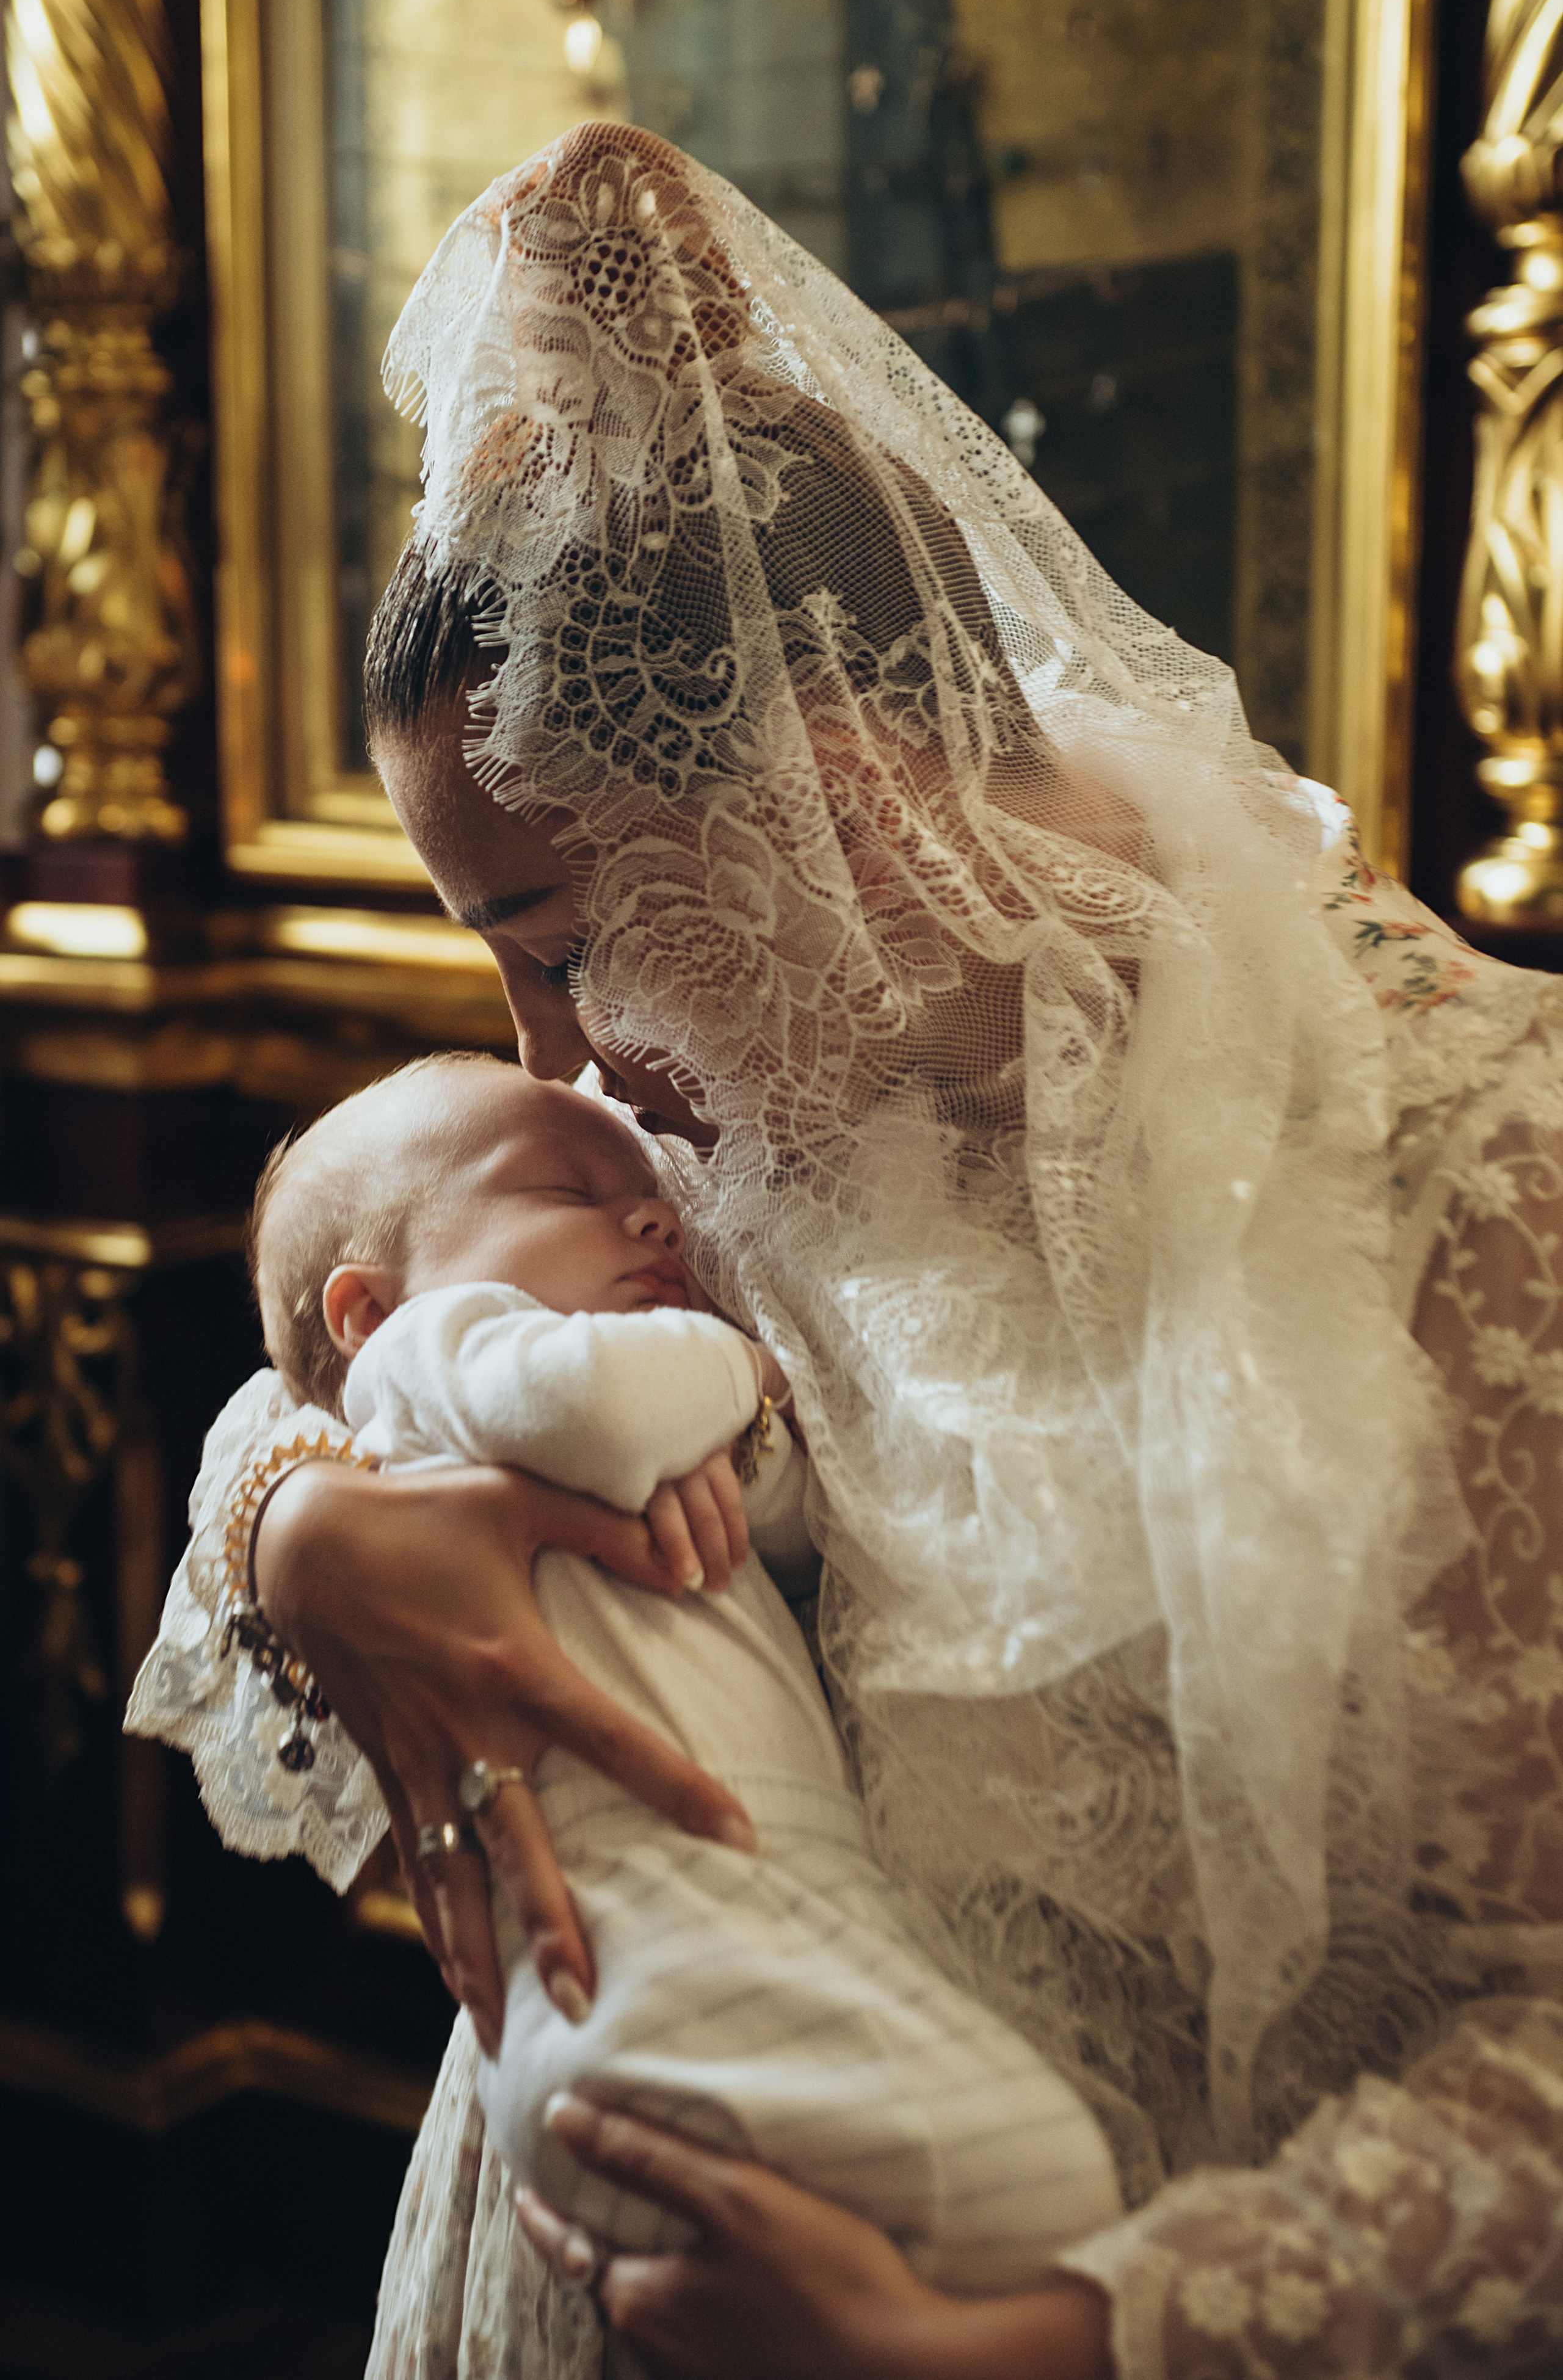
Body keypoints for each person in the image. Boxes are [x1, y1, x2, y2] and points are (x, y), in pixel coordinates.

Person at [128, 121, 1563, 2379]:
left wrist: (1033, 2345)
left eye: (573, 938)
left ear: (836, 782)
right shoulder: (730, 1104)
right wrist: (298, 1525)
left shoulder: (1480, 1172)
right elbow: (377, 1325)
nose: (553, 1052)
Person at [248, 1050, 1123, 2290]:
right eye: (566, 1191)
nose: (651, 1209)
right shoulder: (433, 1353)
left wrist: (743, 1426)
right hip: (632, 1914)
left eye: (641, 1191)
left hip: (778, 1890)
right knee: (1035, 2192)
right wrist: (746, 1367)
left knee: (1029, 2187)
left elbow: (788, 1525)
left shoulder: (613, 1372)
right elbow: (593, 1412)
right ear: (364, 1311)